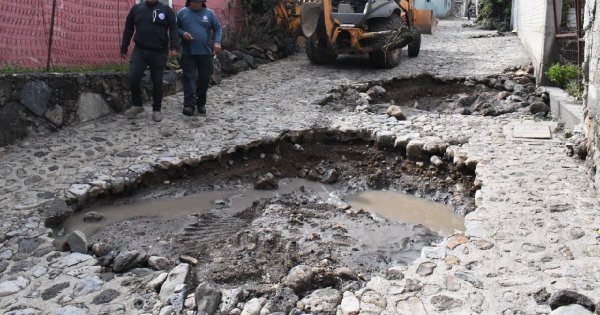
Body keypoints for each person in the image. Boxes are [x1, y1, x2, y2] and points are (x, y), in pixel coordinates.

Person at [120, 0, 178, 122]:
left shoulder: (166, 10)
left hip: (159, 51)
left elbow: (173, 28)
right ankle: (137, 105)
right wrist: (124, 47)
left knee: (157, 81)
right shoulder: (136, 9)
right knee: (133, 77)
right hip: (140, 50)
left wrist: (174, 47)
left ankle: (157, 109)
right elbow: (129, 28)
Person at [177, 0, 222, 116]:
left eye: (198, 2)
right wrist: (182, 33)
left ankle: (201, 103)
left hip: (205, 52)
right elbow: (174, 28)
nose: (195, 4)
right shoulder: (182, 13)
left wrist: (217, 42)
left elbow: (218, 28)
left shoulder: (209, 13)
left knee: (205, 79)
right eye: (193, 1)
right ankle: (189, 105)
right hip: (188, 53)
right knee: (189, 78)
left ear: (203, 2)